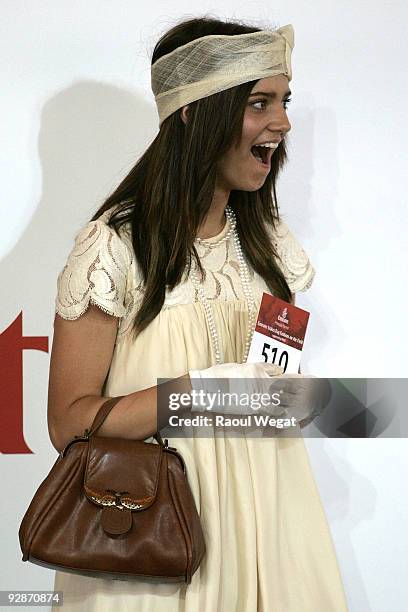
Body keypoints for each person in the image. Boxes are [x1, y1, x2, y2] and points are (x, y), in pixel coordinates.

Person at [47, 16, 348, 612]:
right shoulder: (114, 248)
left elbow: (267, 390)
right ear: (193, 113)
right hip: (151, 533)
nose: (283, 123)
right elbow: (68, 424)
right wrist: (192, 395)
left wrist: (293, 399)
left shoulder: (271, 247)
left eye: (283, 101)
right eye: (259, 102)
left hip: (269, 520)